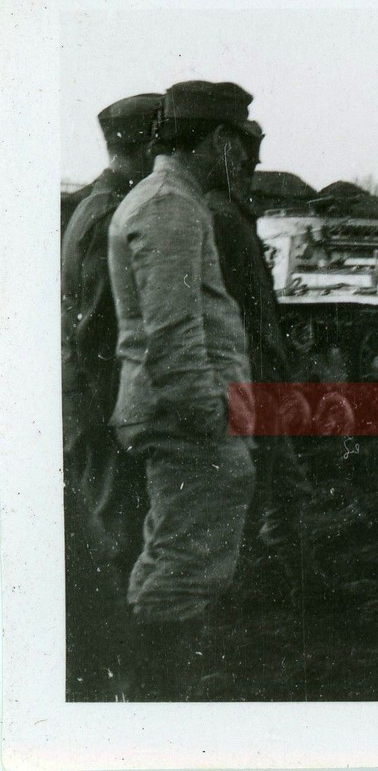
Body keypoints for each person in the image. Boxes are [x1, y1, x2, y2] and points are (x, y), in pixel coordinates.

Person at [108, 80, 259, 700]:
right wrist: (210, 421)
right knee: (179, 565)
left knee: (182, 556)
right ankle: (160, 709)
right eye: (238, 142)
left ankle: (165, 695)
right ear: (217, 139)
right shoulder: (168, 204)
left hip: (184, 413)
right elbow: (171, 333)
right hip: (184, 418)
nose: (245, 158)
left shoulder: (173, 199)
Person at [60, 92, 160, 700]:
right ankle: (122, 673)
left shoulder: (99, 206)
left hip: (93, 401)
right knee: (116, 530)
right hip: (99, 405)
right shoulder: (107, 216)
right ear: (148, 146)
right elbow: (99, 332)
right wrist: (121, 416)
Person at [205, 120, 315, 599]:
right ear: (226, 152)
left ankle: (297, 583)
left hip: (261, 375)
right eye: (247, 153)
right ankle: (245, 591)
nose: (254, 163)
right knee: (253, 488)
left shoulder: (232, 214)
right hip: (247, 377)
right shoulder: (222, 217)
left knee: (283, 485)